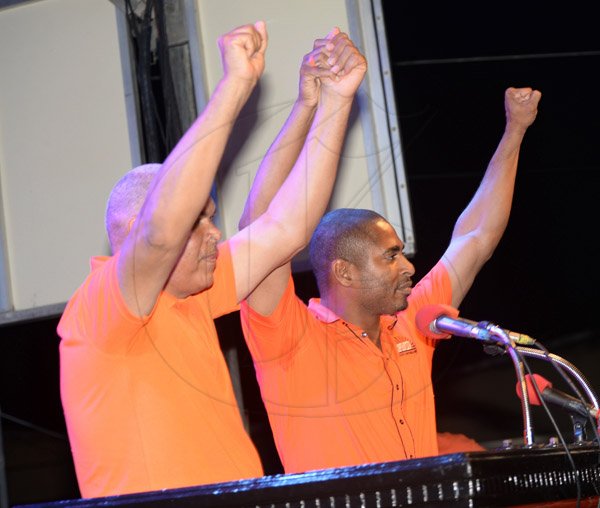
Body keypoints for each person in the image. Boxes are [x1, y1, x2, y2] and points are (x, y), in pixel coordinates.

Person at [57, 22, 366, 497]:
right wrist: (235, 85)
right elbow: (162, 234)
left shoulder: (193, 294)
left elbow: (286, 229)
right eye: (198, 221)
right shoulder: (100, 310)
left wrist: (336, 102)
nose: (214, 232)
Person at [240, 86, 542, 473]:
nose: (409, 267)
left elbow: (476, 237)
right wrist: (306, 105)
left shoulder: (415, 321)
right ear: (344, 271)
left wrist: (515, 130)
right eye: (390, 256)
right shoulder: (291, 338)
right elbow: (257, 231)